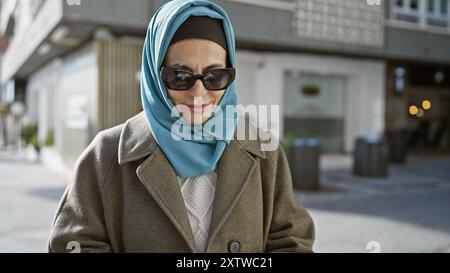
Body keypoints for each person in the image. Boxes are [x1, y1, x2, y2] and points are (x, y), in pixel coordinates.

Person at [48, 0, 314, 253]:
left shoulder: (264, 150)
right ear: (155, 75)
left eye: (215, 75)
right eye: (180, 76)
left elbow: (291, 239)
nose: (199, 94)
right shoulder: (105, 156)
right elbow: (73, 243)